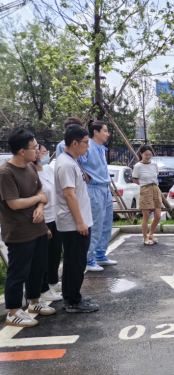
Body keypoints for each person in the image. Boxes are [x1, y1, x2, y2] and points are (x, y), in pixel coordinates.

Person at [0, 128, 55, 327]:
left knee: (38, 268)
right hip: (19, 231)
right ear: (22, 151)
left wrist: (40, 205)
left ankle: (34, 302)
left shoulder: (31, 167)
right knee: (18, 272)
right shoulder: (6, 172)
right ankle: (13, 312)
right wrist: (39, 199)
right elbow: (13, 203)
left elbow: (40, 191)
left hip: (38, 228)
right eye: (34, 148)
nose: (38, 152)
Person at [55, 125, 98, 313]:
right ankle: (73, 301)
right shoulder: (65, 164)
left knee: (73, 262)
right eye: (86, 142)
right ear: (74, 143)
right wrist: (80, 222)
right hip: (74, 224)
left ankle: (71, 296)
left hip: (78, 222)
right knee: (76, 263)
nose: (88, 146)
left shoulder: (72, 161)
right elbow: (69, 195)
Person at [81, 119, 116, 271]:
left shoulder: (101, 148)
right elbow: (76, 161)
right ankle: (89, 259)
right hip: (94, 188)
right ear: (96, 132)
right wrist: (86, 176)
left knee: (107, 223)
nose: (108, 134)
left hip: (105, 188)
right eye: (105, 131)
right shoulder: (88, 147)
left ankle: (101, 255)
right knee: (95, 224)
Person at [33, 143, 63, 302]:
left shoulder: (49, 169)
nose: (45, 156)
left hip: (55, 216)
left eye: (46, 152)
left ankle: (53, 281)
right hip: (42, 218)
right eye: (42, 153)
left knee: (55, 252)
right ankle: (43, 288)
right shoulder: (31, 173)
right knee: (43, 256)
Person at [133, 145, 162, 245]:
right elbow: (135, 179)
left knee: (158, 215)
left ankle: (151, 234)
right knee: (146, 216)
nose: (148, 156)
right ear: (141, 154)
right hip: (145, 189)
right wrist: (144, 185)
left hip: (156, 188)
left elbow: (156, 175)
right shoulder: (138, 166)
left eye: (150, 154)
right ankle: (145, 238)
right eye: (146, 155)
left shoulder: (154, 165)